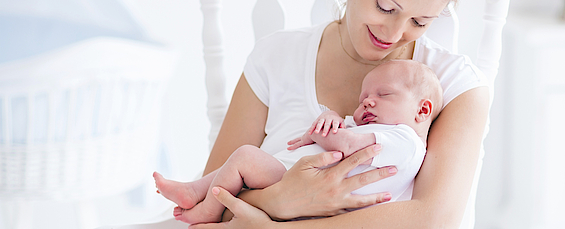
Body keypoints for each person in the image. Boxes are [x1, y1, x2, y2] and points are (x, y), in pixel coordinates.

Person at [191, 0, 490, 229]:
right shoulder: (277, 57)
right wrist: (283, 199)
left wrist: (277, 222)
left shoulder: (456, 86)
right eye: (385, 7)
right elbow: (210, 205)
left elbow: (433, 218)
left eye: (420, 22)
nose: (393, 35)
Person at [154, 60, 443, 224]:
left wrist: (322, 130)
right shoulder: (374, 128)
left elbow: (347, 145)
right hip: (295, 184)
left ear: (422, 110)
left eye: (384, 94)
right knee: (241, 164)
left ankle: (206, 209)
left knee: (244, 157)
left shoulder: (405, 141)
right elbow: (342, 134)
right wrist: (330, 117)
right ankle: (195, 191)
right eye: (363, 97)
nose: (368, 100)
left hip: (298, 182)